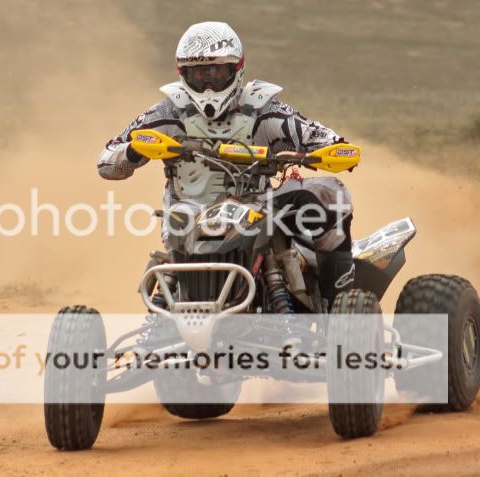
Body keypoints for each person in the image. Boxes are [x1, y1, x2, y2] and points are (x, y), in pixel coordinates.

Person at [96, 21, 356, 305]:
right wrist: (134, 150)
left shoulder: (261, 109)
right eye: (199, 74)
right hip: (188, 216)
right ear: (183, 74)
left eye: (217, 72)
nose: (208, 84)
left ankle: (339, 305)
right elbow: (106, 161)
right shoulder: (169, 111)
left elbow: (316, 135)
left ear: (236, 69)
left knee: (330, 194)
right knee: (179, 228)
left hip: (258, 211)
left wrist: (332, 149)